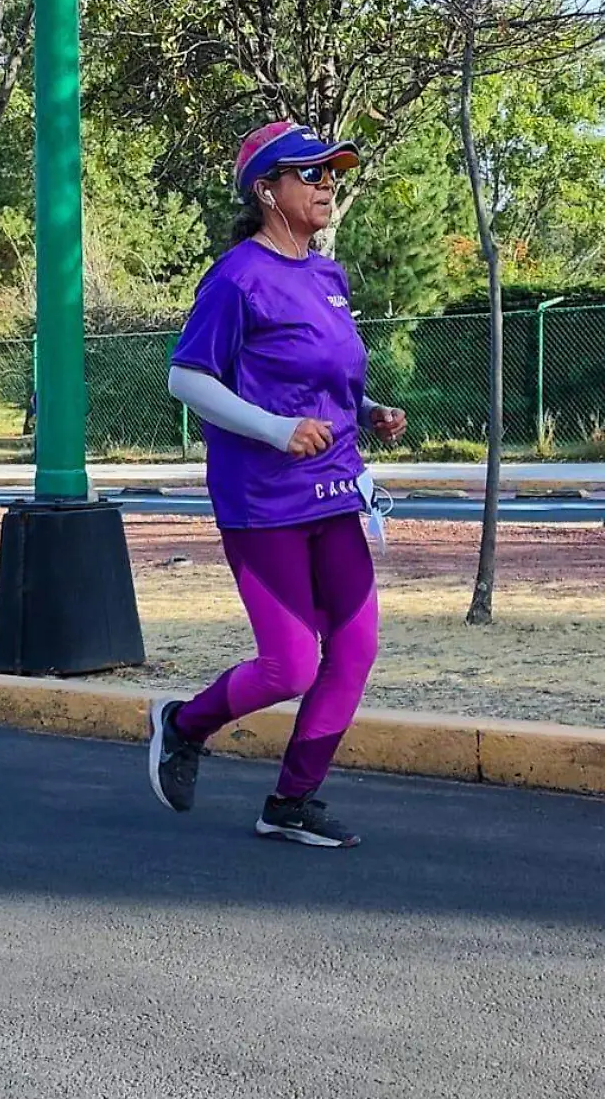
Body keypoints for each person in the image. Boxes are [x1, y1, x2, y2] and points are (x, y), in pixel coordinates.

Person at [148, 120, 406, 849]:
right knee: (289, 665)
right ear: (267, 191)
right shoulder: (237, 277)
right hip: (264, 501)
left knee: (354, 651)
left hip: (333, 492)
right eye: (310, 174)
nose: (327, 185)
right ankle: (183, 724)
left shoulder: (326, 274)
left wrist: (368, 409)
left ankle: (291, 802)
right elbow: (186, 377)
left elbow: (319, 380)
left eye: (331, 174)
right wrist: (275, 430)